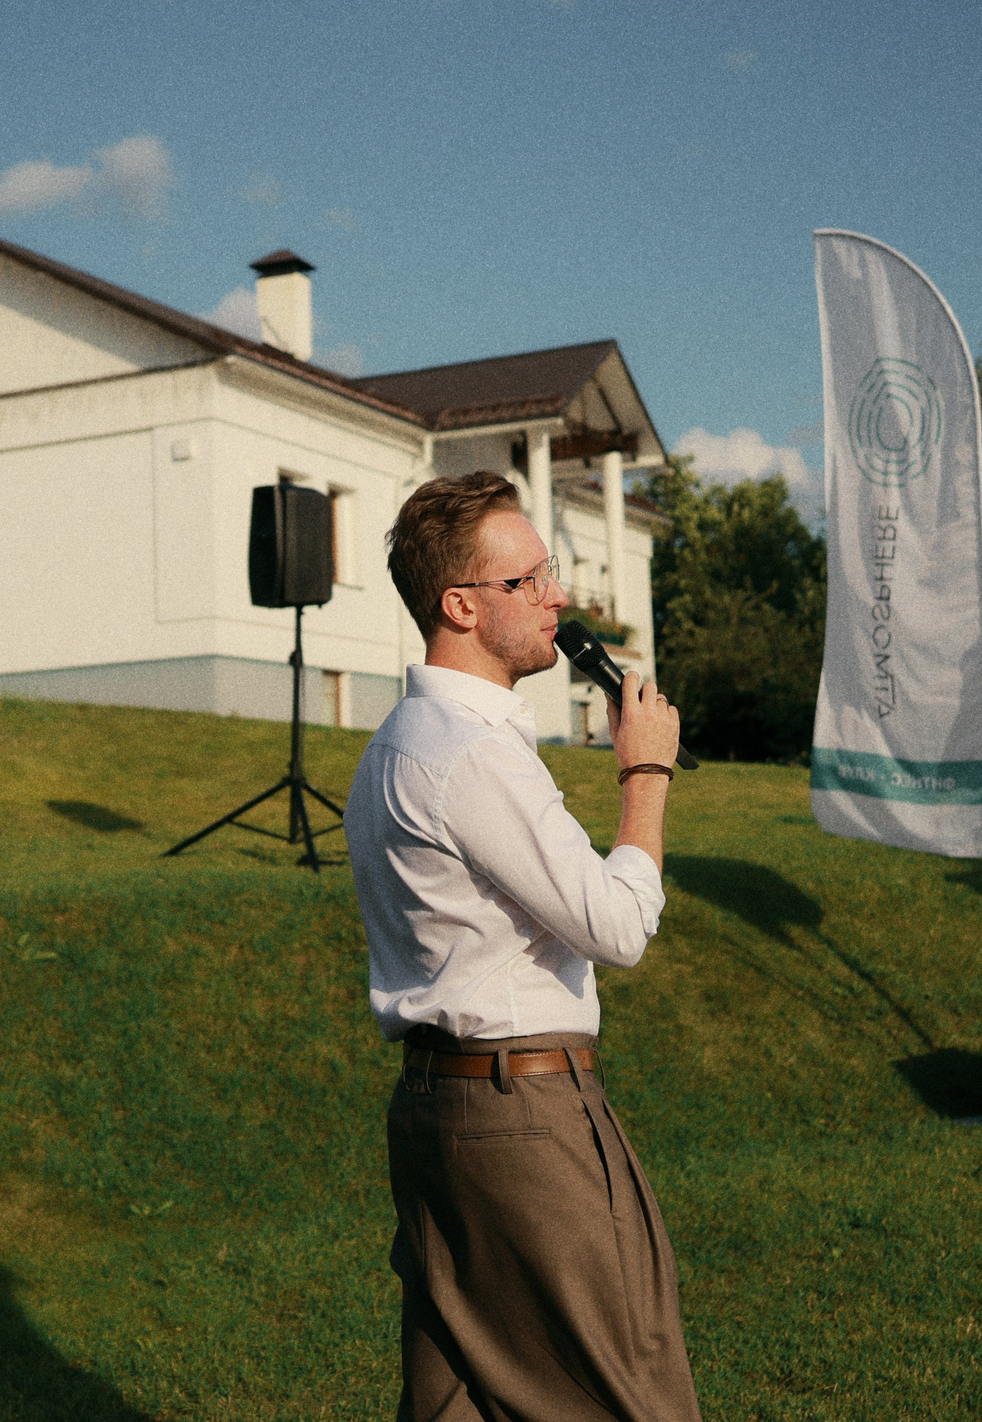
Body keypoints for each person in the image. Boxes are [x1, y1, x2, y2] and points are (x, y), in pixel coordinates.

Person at [352, 470, 697, 1422]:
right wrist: (647, 774)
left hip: (437, 1112)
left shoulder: (391, 747)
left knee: (456, 1400)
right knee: (632, 1390)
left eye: (551, 574)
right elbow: (618, 927)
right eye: (530, 581)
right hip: (522, 1115)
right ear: (460, 604)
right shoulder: (473, 751)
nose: (558, 598)